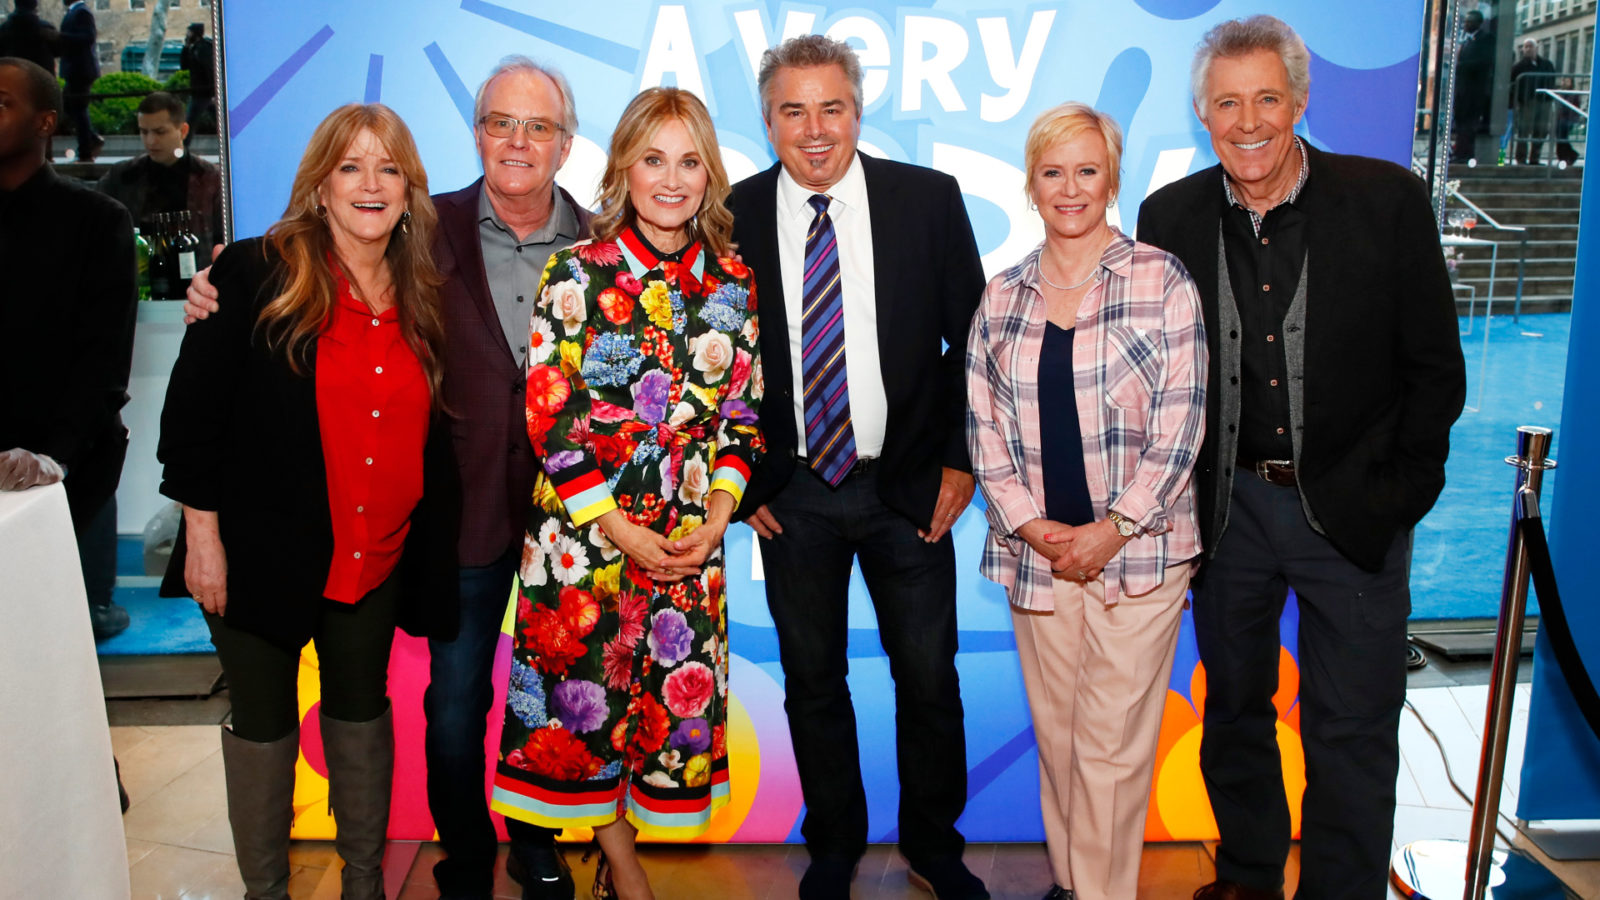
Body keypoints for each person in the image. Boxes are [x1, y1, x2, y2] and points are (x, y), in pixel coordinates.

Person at [186, 55, 595, 900]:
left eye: (539, 125)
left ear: (566, 141)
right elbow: (199, 415)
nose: (518, 141)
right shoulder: (416, 235)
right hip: (445, 523)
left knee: (551, 700)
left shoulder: (598, 245)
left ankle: (521, 847)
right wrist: (213, 283)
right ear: (476, 133)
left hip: (559, 525)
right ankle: (462, 855)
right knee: (451, 710)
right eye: (500, 122)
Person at [1135, 16, 1466, 900]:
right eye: (1228, 103)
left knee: (1352, 725)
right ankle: (1246, 877)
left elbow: (1436, 373)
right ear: (1204, 115)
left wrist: (1396, 494)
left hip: (1356, 512)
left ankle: (1342, 889)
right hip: (1228, 514)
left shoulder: (1388, 201)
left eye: (1267, 99)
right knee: (1234, 713)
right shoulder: (1167, 217)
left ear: (1300, 102)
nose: (1249, 122)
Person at [157, 103, 460, 900]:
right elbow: (192, 417)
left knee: (361, 716)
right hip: (258, 556)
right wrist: (202, 538)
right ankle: (268, 893)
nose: (370, 184)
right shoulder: (253, 271)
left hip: (377, 556)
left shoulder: (424, 289)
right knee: (264, 725)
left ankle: (364, 885)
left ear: (408, 189)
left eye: (388, 168)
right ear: (320, 185)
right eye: (351, 166)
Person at [728, 34, 988, 900]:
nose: (813, 129)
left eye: (830, 107)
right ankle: (833, 842)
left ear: (857, 110)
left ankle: (933, 846)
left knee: (929, 676)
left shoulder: (926, 200)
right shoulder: (727, 214)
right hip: (790, 494)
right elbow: (707, 360)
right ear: (767, 119)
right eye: (793, 110)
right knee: (812, 680)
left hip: (907, 485)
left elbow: (974, 343)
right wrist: (738, 487)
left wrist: (961, 460)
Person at [486, 85, 760, 900]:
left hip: (687, 550)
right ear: (623, 169)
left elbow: (742, 419)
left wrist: (714, 522)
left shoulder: (734, 284)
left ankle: (621, 853)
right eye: (653, 159)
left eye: (688, 161)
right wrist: (619, 530)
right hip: (584, 553)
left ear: (709, 174)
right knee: (585, 714)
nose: (670, 180)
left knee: (656, 720)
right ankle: (626, 865)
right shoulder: (575, 272)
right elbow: (551, 417)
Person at [967, 102, 1207, 900]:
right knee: (1065, 740)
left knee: (1109, 744)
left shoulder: (1161, 279)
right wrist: (1036, 529)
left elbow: (1183, 421)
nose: (1070, 188)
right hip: (1040, 561)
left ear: (1112, 178)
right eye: (1053, 171)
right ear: (1031, 184)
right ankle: (1076, 886)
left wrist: (1113, 528)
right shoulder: (1001, 297)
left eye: (1088, 170)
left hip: (1141, 555)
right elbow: (984, 429)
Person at [0, 56, 136, 642]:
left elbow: (104, 357)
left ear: (46, 121)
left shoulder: (95, 220)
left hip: (57, 470)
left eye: (2, 101)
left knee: (47, 643)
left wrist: (53, 458)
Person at [97, 91, 224, 258]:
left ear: (183, 130)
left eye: (160, 132)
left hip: (196, 275)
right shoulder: (121, 176)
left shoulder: (211, 178)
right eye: (144, 132)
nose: (150, 141)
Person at [57, 0, 100, 162]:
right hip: (75, 70)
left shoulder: (82, 12)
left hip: (81, 70)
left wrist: (62, 37)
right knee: (69, 107)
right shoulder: (73, 12)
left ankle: (86, 151)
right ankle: (91, 139)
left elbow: (89, 37)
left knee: (79, 110)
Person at [1452, 10, 1494, 163]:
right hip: (1463, 90)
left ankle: (1465, 154)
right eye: (1465, 22)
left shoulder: (1485, 39)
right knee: (1461, 123)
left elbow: (1484, 62)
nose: (1465, 25)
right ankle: (1459, 151)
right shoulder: (1467, 41)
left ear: (1478, 23)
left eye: (1469, 22)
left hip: (1474, 91)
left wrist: (1460, 66)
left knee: (1469, 124)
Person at [1509, 38, 1556, 165]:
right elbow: (1513, 84)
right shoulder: (1519, 67)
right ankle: (1521, 158)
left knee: (1541, 130)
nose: (1528, 49)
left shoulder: (1547, 64)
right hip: (1527, 102)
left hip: (1544, 101)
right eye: (1525, 47)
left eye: (1530, 46)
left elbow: (1552, 80)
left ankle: (1535, 158)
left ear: (1536, 48)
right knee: (1524, 130)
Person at [0, 0, 58, 77]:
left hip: (14, 77)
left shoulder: (5, 28)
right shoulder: (44, 28)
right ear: (35, 5)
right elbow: (58, 50)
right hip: (41, 78)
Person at [179, 22, 215, 140]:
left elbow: (209, 70)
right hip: (199, 92)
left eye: (189, 32)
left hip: (204, 93)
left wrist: (214, 92)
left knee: (190, 122)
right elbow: (184, 66)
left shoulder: (204, 48)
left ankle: (183, 148)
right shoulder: (193, 48)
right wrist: (186, 47)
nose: (187, 34)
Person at [1552, 76, 1582, 167]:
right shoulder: (1560, 92)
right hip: (1560, 118)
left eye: (1567, 81)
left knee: (1562, 137)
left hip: (1568, 119)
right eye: (1563, 80)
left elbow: (1571, 107)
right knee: (1560, 137)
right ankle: (1565, 156)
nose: (1564, 83)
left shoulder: (1573, 94)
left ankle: (1569, 155)